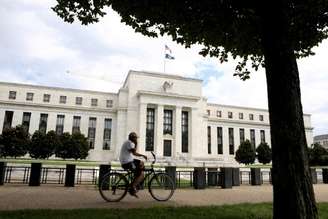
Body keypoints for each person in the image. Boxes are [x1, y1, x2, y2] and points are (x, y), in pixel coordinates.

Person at [119, 132, 147, 197]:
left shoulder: (128, 142)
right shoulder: (129, 143)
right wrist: (136, 144)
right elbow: (134, 153)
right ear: (133, 138)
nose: (136, 139)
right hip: (127, 162)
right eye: (136, 138)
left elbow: (134, 153)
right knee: (141, 172)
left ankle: (136, 179)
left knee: (141, 164)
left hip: (128, 160)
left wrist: (142, 156)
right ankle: (133, 186)